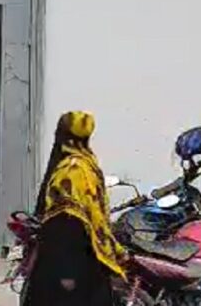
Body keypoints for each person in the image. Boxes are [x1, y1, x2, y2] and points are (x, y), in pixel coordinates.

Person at [23, 111, 125, 306]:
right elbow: (66, 223)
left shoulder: (75, 168)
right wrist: (68, 272)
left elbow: (69, 224)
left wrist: (67, 271)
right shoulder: (79, 167)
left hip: (72, 264)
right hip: (75, 265)